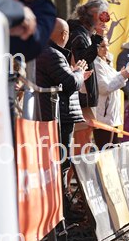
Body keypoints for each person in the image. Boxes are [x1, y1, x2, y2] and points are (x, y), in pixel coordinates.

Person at [36, 18, 90, 206]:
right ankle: (62, 208)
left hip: (60, 114)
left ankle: (63, 206)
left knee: (61, 161)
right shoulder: (52, 54)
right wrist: (79, 73)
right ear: (64, 34)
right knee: (62, 162)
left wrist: (74, 73)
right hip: (59, 116)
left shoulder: (49, 52)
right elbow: (70, 83)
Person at [67, 0, 110, 143]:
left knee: (85, 138)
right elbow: (83, 60)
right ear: (93, 14)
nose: (105, 19)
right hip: (80, 97)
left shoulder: (85, 33)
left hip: (82, 96)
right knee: (82, 140)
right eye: (102, 15)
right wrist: (98, 37)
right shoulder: (78, 34)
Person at [93, 37, 129, 149]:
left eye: (107, 45)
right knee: (105, 152)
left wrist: (123, 74)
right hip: (103, 118)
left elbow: (113, 82)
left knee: (112, 152)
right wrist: (123, 76)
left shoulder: (107, 62)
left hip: (112, 116)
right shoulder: (95, 63)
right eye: (102, 46)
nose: (106, 49)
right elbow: (105, 87)